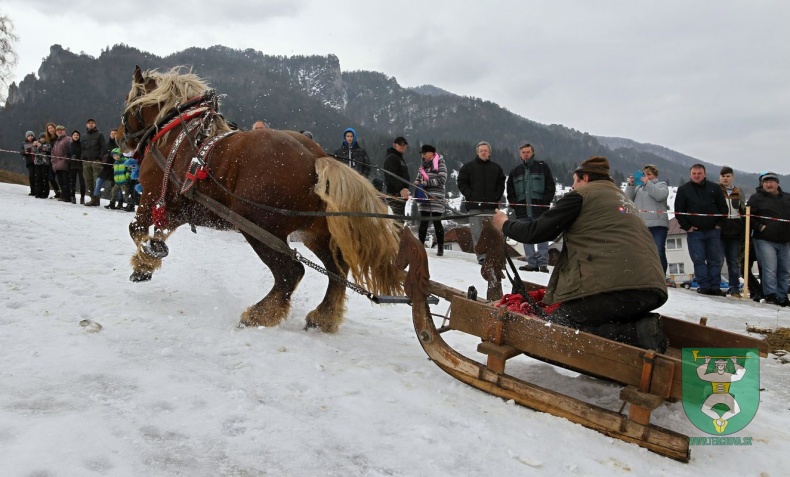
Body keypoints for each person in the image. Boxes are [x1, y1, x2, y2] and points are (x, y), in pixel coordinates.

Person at [492, 156, 668, 351]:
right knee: (595, 313)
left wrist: (504, 223)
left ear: (585, 178)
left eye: (575, 181)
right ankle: (639, 328)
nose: (572, 186)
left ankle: (635, 334)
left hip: (615, 289)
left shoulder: (581, 196)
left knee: (558, 326)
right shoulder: (622, 198)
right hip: (651, 289)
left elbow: (535, 232)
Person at [674, 164, 728, 296]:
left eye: (699, 173)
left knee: (715, 260)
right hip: (695, 232)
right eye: (694, 173)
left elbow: (723, 209)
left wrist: (719, 224)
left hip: (713, 231)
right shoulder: (683, 190)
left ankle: (715, 286)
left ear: (705, 174)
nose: (696, 176)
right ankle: (703, 286)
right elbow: (679, 211)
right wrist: (687, 227)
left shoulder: (715, 188)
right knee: (698, 259)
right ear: (690, 174)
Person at [506, 143, 556, 272]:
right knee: (526, 237)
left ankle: (543, 263)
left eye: (528, 152)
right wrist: (515, 205)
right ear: (520, 154)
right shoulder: (515, 171)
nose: (526, 154)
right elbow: (510, 191)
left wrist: (545, 202)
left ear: (532, 153)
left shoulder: (542, 167)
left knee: (542, 236)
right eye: (523, 152)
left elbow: (550, 187)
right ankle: (531, 263)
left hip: (540, 209)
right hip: (522, 211)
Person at [457, 141, 506, 264]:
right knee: (477, 232)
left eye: (485, 150)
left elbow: (501, 184)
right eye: (481, 150)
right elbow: (461, 182)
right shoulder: (468, 167)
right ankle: (481, 256)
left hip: (491, 207)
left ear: (489, 153)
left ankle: (493, 254)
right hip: (474, 207)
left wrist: (496, 197)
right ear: (477, 153)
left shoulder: (496, 168)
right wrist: (470, 194)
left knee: (493, 232)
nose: (483, 152)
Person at [747, 172, 790, 306]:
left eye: (771, 181)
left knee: (785, 269)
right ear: (762, 184)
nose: (769, 184)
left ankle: (782, 296)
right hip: (765, 239)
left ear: (777, 183)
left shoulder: (787, 198)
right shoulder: (756, 198)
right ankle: (771, 295)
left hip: (785, 240)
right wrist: (759, 226)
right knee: (770, 268)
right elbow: (748, 216)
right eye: (766, 182)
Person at [625, 164, 670, 273]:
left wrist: (647, 183)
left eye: (649, 174)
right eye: (643, 174)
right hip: (641, 225)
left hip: (658, 225)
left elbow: (660, 196)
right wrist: (631, 185)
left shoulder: (661, 185)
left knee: (658, 251)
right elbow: (627, 200)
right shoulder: (637, 188)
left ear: (655, 175)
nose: (645, 177)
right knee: (641, 252)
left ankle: (661, 276)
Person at [718, 166, 746, 297]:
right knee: (717, 261)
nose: (725, 178)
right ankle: (715, 286)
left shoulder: (739, 192)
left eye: (728, 176)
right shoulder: (715, 191)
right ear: (720, 177)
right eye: (723, 176)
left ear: (732, 177)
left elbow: (743, 211)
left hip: (735, 232)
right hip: (719, 231)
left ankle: (734, 288)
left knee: (733, 262)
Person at [414, 145, 447, 256]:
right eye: (422, 154)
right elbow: (419, 177)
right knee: (423, 222)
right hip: (424, 197)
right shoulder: (423, 166)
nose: (423, 156)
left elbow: (442, 179)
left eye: (424, 153)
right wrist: (417, 182)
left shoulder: (441, 163)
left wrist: (427, 183)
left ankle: (441, 248)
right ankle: (420, 246)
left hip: (436, 197)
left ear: (432, 153)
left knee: (437, 222)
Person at [383, 136, 411, 223]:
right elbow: (390, 176)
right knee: (397, 221)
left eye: (404, 144)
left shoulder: (399, 158)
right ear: (394, 145)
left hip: (400, 195)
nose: (403, 146)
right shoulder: (392, 157)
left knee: (400, 220)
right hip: (394, 194)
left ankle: (398, 235)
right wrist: (401, 189)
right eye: (400, 144)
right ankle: (396, 236)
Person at [81, 119, 107, 206]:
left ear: (95, 124)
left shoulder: (100, 134)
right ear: (86, 125)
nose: (91, 124)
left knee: (97, 181)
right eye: (89, 123)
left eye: (92, 123)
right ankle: (92, 198)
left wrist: (100, 157)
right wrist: (83, 157)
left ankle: (96, 199)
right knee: (88, 180)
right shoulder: (84, 136)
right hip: (86, 161)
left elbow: (103, 147)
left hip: (96, 161)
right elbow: (82, 148)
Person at [91, 128, 118, 208]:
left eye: (115, 133)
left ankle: (115, 202)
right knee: (98, 181)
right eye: (112, 133)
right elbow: (103, 153)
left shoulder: (119, 145)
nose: (113, 135)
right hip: (106, 167)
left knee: (117, 186)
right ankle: (95, 199)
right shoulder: (107, 144)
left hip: (116, 168)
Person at [50, 125, 72, 203]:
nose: (59, 131)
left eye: (61, 130)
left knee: (66, 181)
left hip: (65, 164)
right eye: (58, 130)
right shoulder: (56, 141)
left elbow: (70, 152)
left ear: (64, 131)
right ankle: (63, 195)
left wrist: (66, 160)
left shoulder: (68, 139)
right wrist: (53, 162)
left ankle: (67, 196)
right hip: (57, 165)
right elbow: (53, 153)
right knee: (60, 182)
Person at [67, 130, 86, 204]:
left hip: (81, 165)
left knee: (82, 182)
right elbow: (67, 154)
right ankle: (73, 197)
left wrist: (82, 156)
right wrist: (70, 159)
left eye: (77, 135)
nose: (76, 136)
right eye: (74, 135)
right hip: (72, 165)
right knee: (72, 182)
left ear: (79, 136)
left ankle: (82, 197)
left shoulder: (82, 144)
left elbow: (84, 152)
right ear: (72, 136)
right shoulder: (70, 144)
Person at [44, 122, 62, 199]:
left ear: (55, 128)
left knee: (60, 177)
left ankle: (63, 192)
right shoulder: (48, 139)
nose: (50, 130)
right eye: (48, 129)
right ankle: (57, 191)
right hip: (50, 160)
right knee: (51, 177)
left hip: (58, 160)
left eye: (51, 128)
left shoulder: (58, 138)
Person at [32, 133, 52, 199]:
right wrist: (34, 145)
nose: (42, 139)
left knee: (44, 178)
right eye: (41, 138)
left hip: (45, 163)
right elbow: (34, 151)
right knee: (38, 178)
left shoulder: (48, 144)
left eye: (43, 138)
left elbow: (47, 149)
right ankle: (38, 192)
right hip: (37, 163)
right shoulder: (36, 144)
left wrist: (40, 146)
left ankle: (45, 193)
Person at [20, 131, 37, 196]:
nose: (30, 137)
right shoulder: (24, 143)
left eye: (31, 136)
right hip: (30, 162)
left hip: (37, 162)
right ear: (26, 137)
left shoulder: (36, 142)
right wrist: (24, 152)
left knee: (37, 176)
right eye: (29, 136)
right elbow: (21, 151)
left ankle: (37, 190)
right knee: (31, 176)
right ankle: (32, 190)